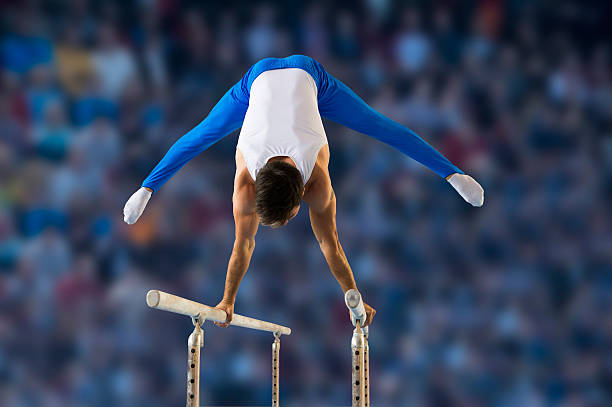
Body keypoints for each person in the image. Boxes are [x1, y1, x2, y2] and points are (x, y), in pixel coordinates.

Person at [123, 55, 484, 328]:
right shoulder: (250, 183)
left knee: (380, 126)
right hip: (256, 83)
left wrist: (352, 297)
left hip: (310, 79)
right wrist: (227, 300)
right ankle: (146, 187)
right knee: (199, 137)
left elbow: (306, 244)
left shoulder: (316, 179)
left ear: (301, 196)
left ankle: (454, 174)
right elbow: (318, 243)